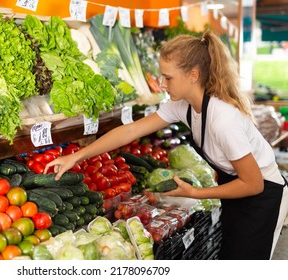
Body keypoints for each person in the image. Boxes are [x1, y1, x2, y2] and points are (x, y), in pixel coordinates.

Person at [44, 30, 288, 260]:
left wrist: (195, 194)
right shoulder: (183, 105)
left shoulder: (223, 118)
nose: (162, 83)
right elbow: (132, 130)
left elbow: (253, 183)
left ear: (193, 75)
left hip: (263, 195)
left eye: (168, 77)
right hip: (236, 190)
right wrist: (77, 156)